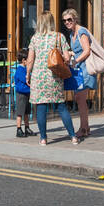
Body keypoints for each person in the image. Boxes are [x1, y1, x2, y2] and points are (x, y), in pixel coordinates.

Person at [25, 12, 77, 146]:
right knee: (61, 106)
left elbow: (30, 60)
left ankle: (43, 138)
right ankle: (73, 136)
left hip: (38, 77)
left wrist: (28, 74)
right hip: (54, 76)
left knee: (41, 107)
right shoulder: (59, 37)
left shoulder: (35, 38)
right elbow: (67, 58)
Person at [62, 9, 95, 140]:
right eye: (64, 20)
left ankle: (83, 128)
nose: (67, 22)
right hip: (79, 70)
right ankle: (85, 127)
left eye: (69, 19)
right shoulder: (72, 34)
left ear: (75, 19)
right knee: (80, 99)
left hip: (85, 69)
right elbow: (78, 50)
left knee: (80, 98)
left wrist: (76, 60)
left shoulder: (81, 32)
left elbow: (87, 51)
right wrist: (70, 54)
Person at [13, 54, 33, 138]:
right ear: (24, 60)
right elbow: (26, 80)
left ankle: (27, 127)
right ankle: (18, 129)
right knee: (20, 112)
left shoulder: (25, 69)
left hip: (27, 92)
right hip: (21, 93)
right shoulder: (20, 70)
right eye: (28, 59)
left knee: (26, 112)